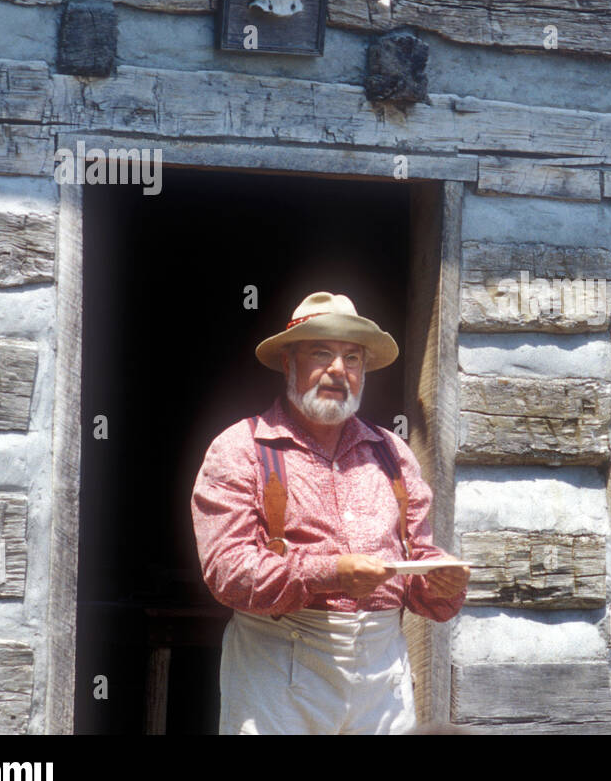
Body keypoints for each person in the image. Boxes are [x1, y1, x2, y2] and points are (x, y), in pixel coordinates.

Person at [190, 291, 469, 734]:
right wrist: (331, 573)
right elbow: (227, 571)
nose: (339, 370)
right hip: (279, 664)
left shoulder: (392, 453)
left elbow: (419, 575)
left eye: (353, 358)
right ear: (289, 363)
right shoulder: (240, 448)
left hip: (382, 673)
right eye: (322, 353)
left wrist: (441, 583)